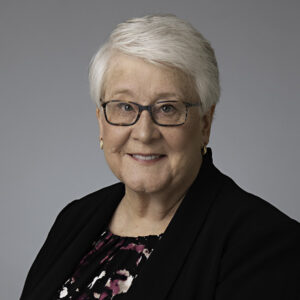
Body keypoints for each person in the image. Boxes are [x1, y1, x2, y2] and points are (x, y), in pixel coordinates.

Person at [20, 14, 300, 300]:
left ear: (205, 123)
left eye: (167, 108)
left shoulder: (265, 243)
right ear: (101, 122)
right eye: (125, 106)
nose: (144, 133)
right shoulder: (74, 219)